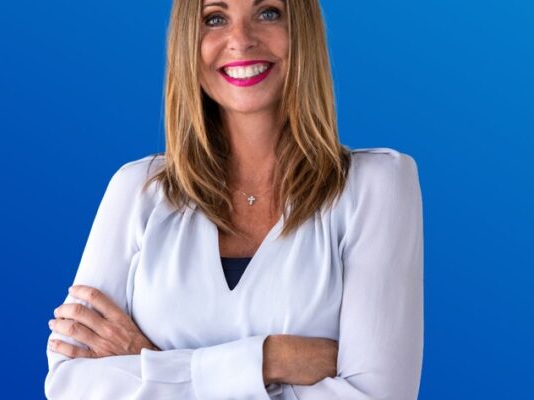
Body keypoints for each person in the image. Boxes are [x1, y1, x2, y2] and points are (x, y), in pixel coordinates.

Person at [44, 0, 424, 399]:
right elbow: (71, 386)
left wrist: (150, 364)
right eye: (215, 18)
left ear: (303, 31)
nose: (240, 40)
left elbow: (378, 396)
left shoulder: (376, 186)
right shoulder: (138, 190)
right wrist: (271, 359)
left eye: (268, 12)